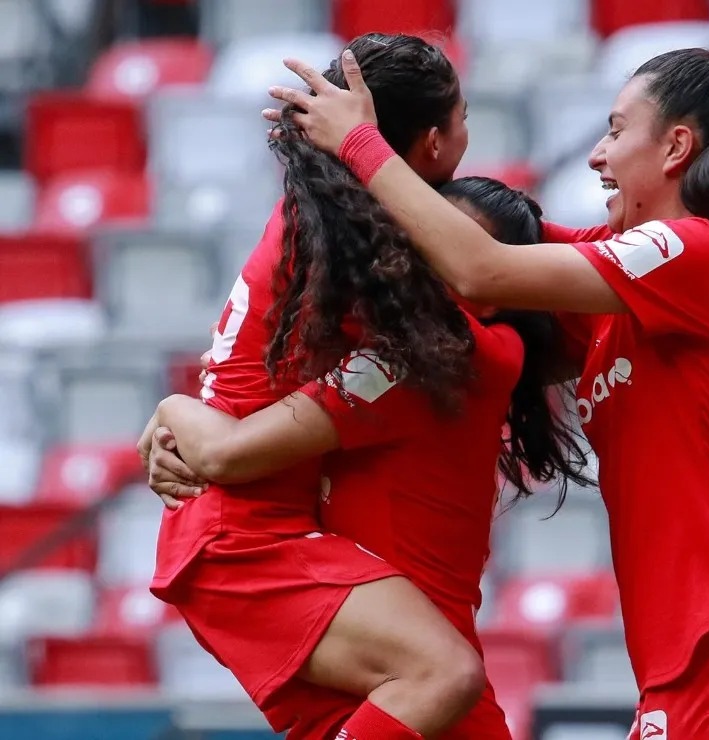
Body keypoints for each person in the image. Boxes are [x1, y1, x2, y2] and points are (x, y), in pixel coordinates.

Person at [265, 46, 709, 737]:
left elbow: (483, 268)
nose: (597, 156)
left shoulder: (699, 254)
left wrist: (360, 143)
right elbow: (487, 238)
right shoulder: (644, 275)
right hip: (701, 647)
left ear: (676, 149)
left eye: (615, 130)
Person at [143, 34, 503, 740]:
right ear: (430, 144)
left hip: (244, 522)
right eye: (463, 119)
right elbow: (485, 276)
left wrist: (172, 414)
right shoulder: (362, 242)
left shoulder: (327, 216)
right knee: (442, 674)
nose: (469, 135)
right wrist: (175, 411)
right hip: (244, 537)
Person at [144, 176, 589, 740]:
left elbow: (226, 452)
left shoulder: (445, 355)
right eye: (421, 238)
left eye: (452, 245)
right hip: (382, 644)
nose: (424, 256)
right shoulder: (438, 345)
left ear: (494, 277)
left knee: (445, 674)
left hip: (406, 660)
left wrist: (171, 410)